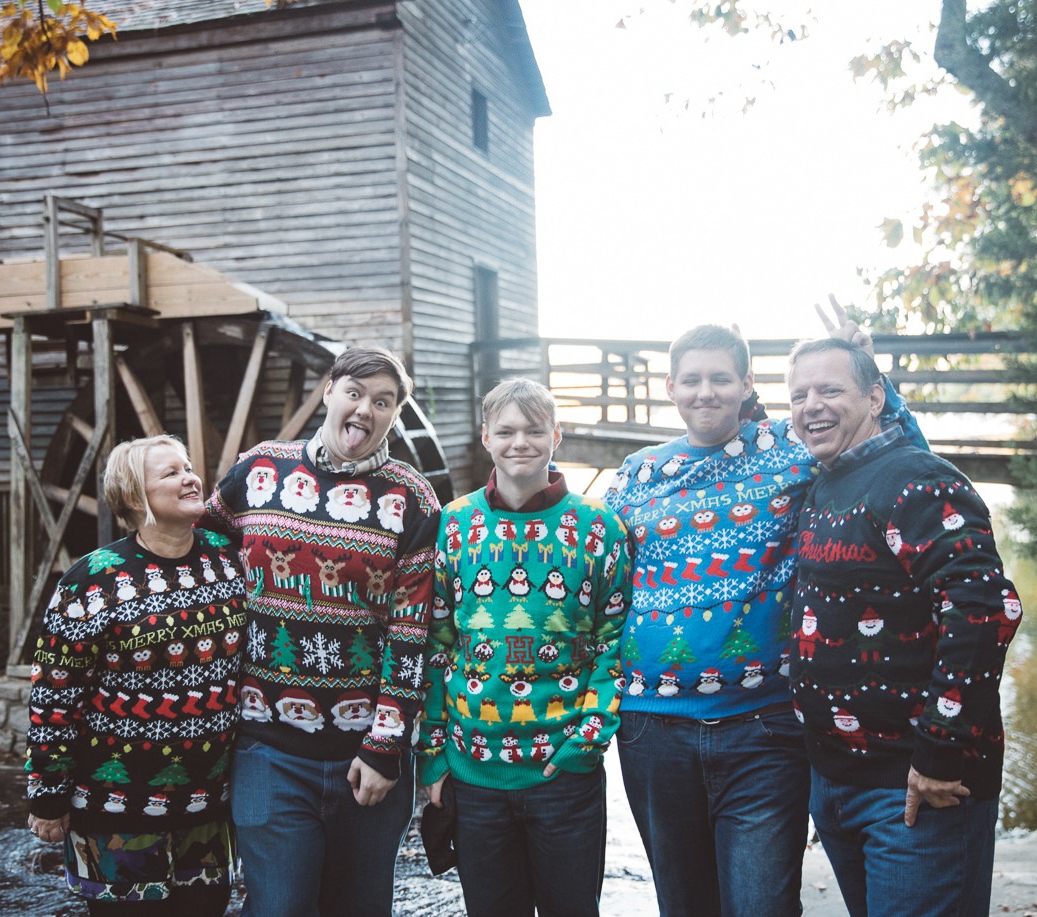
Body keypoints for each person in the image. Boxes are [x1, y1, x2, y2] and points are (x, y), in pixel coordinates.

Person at [602, 303, 925, 916]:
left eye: (721, 378)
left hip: (764, 728)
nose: (706, 392)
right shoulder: (638, 474)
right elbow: (594, 575)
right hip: (651, 730)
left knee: (762, 903)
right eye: (691, 380)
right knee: (684, 904)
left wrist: (866, 370)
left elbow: (898, 455)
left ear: (747, 385)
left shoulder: (788, 447)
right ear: (670, 388)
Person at [200, 346, 440, 917]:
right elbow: (200, 551)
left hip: (365, 757)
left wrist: (385, 747)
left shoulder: (412, 498)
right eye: (355, 394)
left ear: (394, 414)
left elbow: (413, 632)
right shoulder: (260, 469)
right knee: (278, 908)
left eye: (383, 402)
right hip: (267, 750)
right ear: (329, 391)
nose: (365, 411)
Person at [786, 338, 1020, 916]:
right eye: (799, 395)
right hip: (838, 782)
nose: (811, 405)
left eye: (830, 389)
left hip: (917, 788)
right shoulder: (825, 482)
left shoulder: (917, 479)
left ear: (875, 397)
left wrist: (939, 753)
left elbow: (986, 610)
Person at [417, 378, 633, 916]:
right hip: (473, 774)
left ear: (555, 435)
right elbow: (438, 644)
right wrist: (433, 756)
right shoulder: (453, 526)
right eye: (507, 431)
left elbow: (614, 642)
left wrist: (586, 742)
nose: (521, 443)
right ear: (486, 436)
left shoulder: (599, 529)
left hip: (564, 774)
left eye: (534, 430)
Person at [24, 435, 246, 915]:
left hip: (208, 808)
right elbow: (55, 699)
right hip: (114, 811)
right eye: (170, 473)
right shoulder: (92, 580)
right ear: (132, 496)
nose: (190, 477)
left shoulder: (229, 561)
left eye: (188, 467)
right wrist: (48, 793)